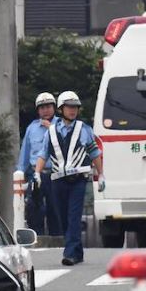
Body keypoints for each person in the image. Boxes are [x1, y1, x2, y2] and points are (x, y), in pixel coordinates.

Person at [36, 91, 105, 266]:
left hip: (78, 179)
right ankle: (78, 252)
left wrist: (101, 174)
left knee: (74, 216)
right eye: (69, 107)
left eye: (75, 107)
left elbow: (94, 152)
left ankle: (70, 254)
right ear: (61, 109)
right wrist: (37, 172)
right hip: (58, 179)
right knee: (64, 218)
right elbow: (43, 154)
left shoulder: (84, 129)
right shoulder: (51, 131)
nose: (73, 111)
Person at [18, 92, 60, 236]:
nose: (45, 110)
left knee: (55, 208)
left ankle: (58, 239)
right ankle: (37, 237)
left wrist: (51, 129)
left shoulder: (61, 125)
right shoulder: (32, 128)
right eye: (42, 108)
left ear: (54, 108)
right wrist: (20, 173)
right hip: (36, 174)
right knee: (33, 207)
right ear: (38, 110)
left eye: (48, 106)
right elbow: (25, 152)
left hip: (56, 173)